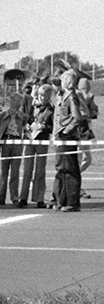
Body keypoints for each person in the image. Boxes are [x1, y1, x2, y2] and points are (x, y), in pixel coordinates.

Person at [52, 70, 87, 211]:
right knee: (61, 168)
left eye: (62, 80)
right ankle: (61, 200)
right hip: (60, 136)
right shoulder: (62, 96)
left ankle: (72, 202)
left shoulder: (72, 97)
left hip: (67, 137)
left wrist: (66, 131)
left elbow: (77, 118)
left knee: (70, 169)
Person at [17, 83, 54, 208]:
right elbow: (25, 117)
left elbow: (53, 127)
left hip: (42, 140)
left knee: (40, 170)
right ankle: (23, 197)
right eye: (42, 95)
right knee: (27, 170)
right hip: (30, 138)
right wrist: (27, 125)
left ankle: (39, 198)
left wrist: (43, 127)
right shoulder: (33, 106)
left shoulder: (51, 110)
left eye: (46, 96)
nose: (43, 98)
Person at [0, 88, 29, 205]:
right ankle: (0, 197)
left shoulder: (23, 116)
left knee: (15, 171)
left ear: (20, 103)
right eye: (11, 99)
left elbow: (27, 130)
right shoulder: (3, 115)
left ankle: (14, 197)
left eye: (15, 100)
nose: (12, 101)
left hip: (17, 143)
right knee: (4, 171)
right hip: (6, 143)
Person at [78, 76, 97, 199]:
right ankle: (76, 186)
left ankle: (75, 178)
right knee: (79, 158)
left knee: (88, 159)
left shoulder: (89, 98)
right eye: (83, 88)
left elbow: (93, 113)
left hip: (86, 131)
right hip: (77, 132)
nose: (86, 90)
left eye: (87, 87)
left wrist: (92, 107)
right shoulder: (76, 97)